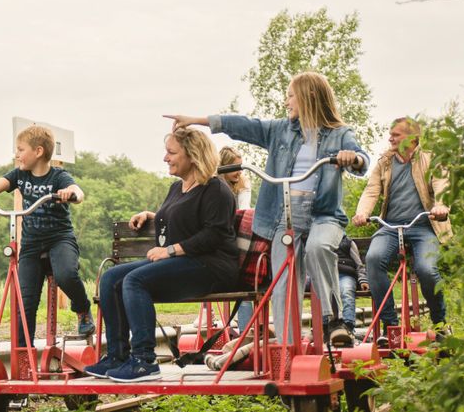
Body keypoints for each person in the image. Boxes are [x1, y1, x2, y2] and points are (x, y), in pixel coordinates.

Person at [165, 71, 370, 347]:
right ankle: (288, 349)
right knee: (284, 284)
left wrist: (352, 158)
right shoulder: (279, 131)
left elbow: (362, 160)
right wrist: (198, 121)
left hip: (323, 215)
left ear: (308, 96)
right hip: (284, 218)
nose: (286, 102)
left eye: (290, 95)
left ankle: (335, 321)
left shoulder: (340, 134)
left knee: (319, 248)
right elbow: (244, 125)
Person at [83, 127, 238, 382]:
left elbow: (215, 234)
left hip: (211, 266)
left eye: (171, 152)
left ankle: (144, 361)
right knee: (111, 278)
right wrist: (152, 217)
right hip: (183, 261)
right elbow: (183, 219)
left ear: (193, 155)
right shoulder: (178, 188)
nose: (166, 158)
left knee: (134, 281)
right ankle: (117, 356)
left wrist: (170, 250)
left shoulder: (216, 190)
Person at [0, 125, 95, 341]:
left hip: (59, 239)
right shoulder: (19, 175)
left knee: (66, 274)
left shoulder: (58, 177)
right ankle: (22, 353)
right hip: (31, 244)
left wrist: (71, 193)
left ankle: (83, 309)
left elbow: (79, 192)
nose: (16, 154)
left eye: (20, 149)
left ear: (38, 152)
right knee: (24, 300)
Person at [353, 117, 450, 344]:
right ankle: (391, 326)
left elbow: (441, 184)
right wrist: (362, 212)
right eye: (391, 134)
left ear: (413, 138)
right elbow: (371, 190)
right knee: (374, 259)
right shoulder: (384, 163)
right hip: (389, 226)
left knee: (426, 269)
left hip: (423, 225)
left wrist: (441, 205)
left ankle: (440, 325)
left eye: (396, 134)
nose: (390, 138)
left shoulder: (431, 159)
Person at [219, 146, 254, 333]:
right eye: (234, 167)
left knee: (245, 280)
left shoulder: (242, 184)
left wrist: (244, 187)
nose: (239, 172)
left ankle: (245, 330)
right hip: (222, 241)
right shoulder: (216, 185)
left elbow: (244, 211)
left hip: (235, 237)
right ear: (223, 166)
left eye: (241, 167)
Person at [334, 234, 369, 346]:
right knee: (324, 293)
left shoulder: (347, 242)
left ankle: (348, 327)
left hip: (345, 274)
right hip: (327, 275)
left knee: (347, 291)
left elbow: (359, 264)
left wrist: (363, 280)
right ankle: (325, 326)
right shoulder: (319, 240)